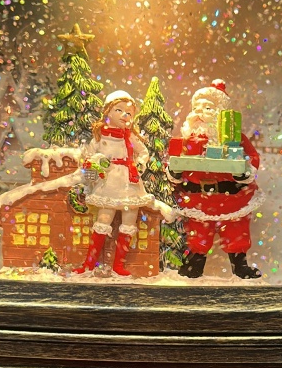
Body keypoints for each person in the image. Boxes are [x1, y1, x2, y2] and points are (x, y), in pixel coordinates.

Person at [169, 80, 262, 280]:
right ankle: (194, 265)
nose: (200, 113)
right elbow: (174, 162)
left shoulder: (235, 140)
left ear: (221, 113)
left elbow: (252, 158)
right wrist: (174, 173)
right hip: (198, 199)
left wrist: (244, 171)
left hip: (230, 198)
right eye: (196, 107)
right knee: (198, 233)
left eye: (208, 107)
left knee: (236, 231)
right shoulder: (186, 141)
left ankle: (240, 266)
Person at [75, 90, 153, 276]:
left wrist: (139, 164)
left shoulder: (130, 136)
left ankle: (119, 265)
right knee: (103, 220)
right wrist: (94, 163)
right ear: (107, 112)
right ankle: (89, 263)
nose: (124, 115)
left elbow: (143, 152)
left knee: (128, 222)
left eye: (129, 113)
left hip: (129, 182)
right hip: (108, 181)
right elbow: (88, 155)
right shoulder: (100, 136)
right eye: (119, 110)